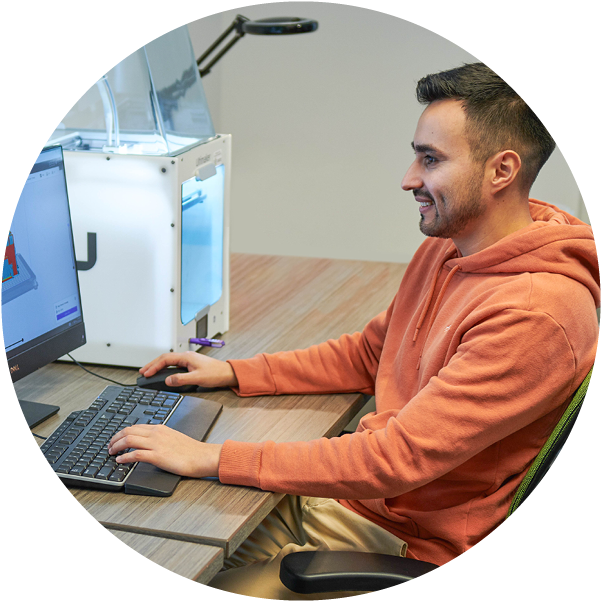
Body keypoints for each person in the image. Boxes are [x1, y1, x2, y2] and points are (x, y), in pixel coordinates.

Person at [108, 63, 600, 599]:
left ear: (501, 171)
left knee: (170, 556)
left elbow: (393, 459)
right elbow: (370, 354)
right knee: (161, 529)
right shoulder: (450, 247)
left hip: (403, 542)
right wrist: (233, 371)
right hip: (363, 505)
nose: (409, 177)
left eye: (430, 159)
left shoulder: (535, 316)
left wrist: (213, 456)